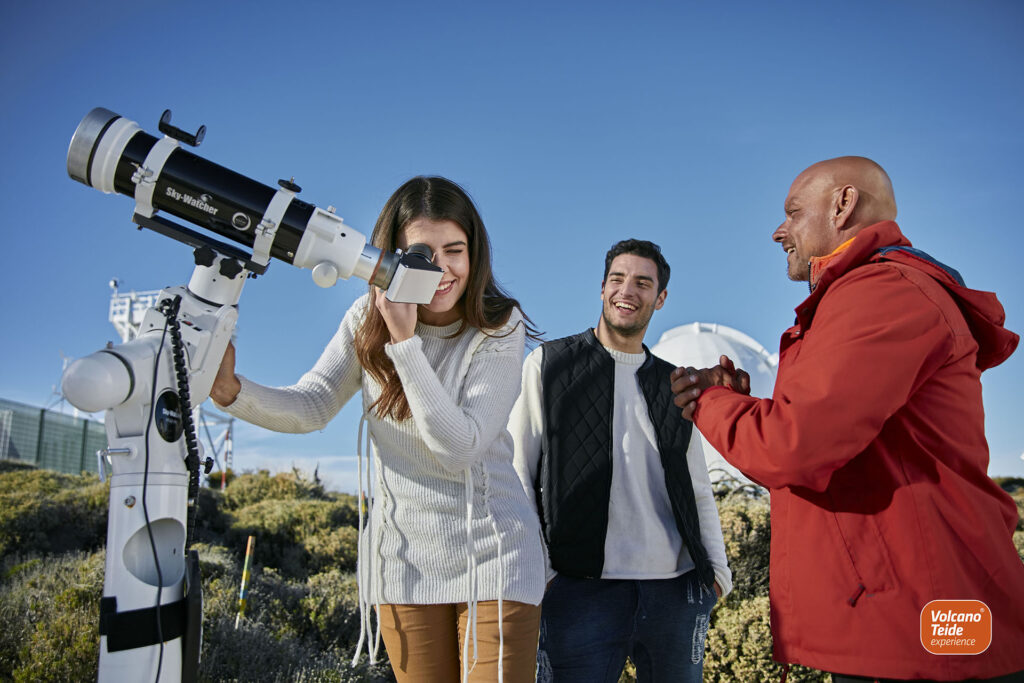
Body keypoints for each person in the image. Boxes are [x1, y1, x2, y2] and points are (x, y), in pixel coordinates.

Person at [671, 156, 1024, 682]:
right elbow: (812, 463)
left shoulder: (883, 294)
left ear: (843, 205)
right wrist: (744, 409)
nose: (778, 231)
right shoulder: (866, 297)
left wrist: (708, 400)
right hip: (906, 622)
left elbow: (792, 447)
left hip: (922, 632)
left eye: (792, 212)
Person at [210, 176, 547, 682]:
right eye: (422, 253)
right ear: (391, 257)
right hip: (403, 564)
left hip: (494, 558)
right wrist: (232, 391)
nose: (442, 268)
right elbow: (312, 405)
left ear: (475, 254)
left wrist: (406, 344)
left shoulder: (499, 327)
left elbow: (460, 448)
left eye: (454, 250)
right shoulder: (363, 320)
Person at [508, 239, 732, 683]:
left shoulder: (675, 383)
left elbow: (696, 485)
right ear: (603, 287)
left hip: (677, 590)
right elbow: (516, 473)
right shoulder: (549, 365)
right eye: (618, 279)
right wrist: (546, 574)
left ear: (660, 298)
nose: (627, 290)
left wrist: (717, 575)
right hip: (577, 590)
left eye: (642, 283)